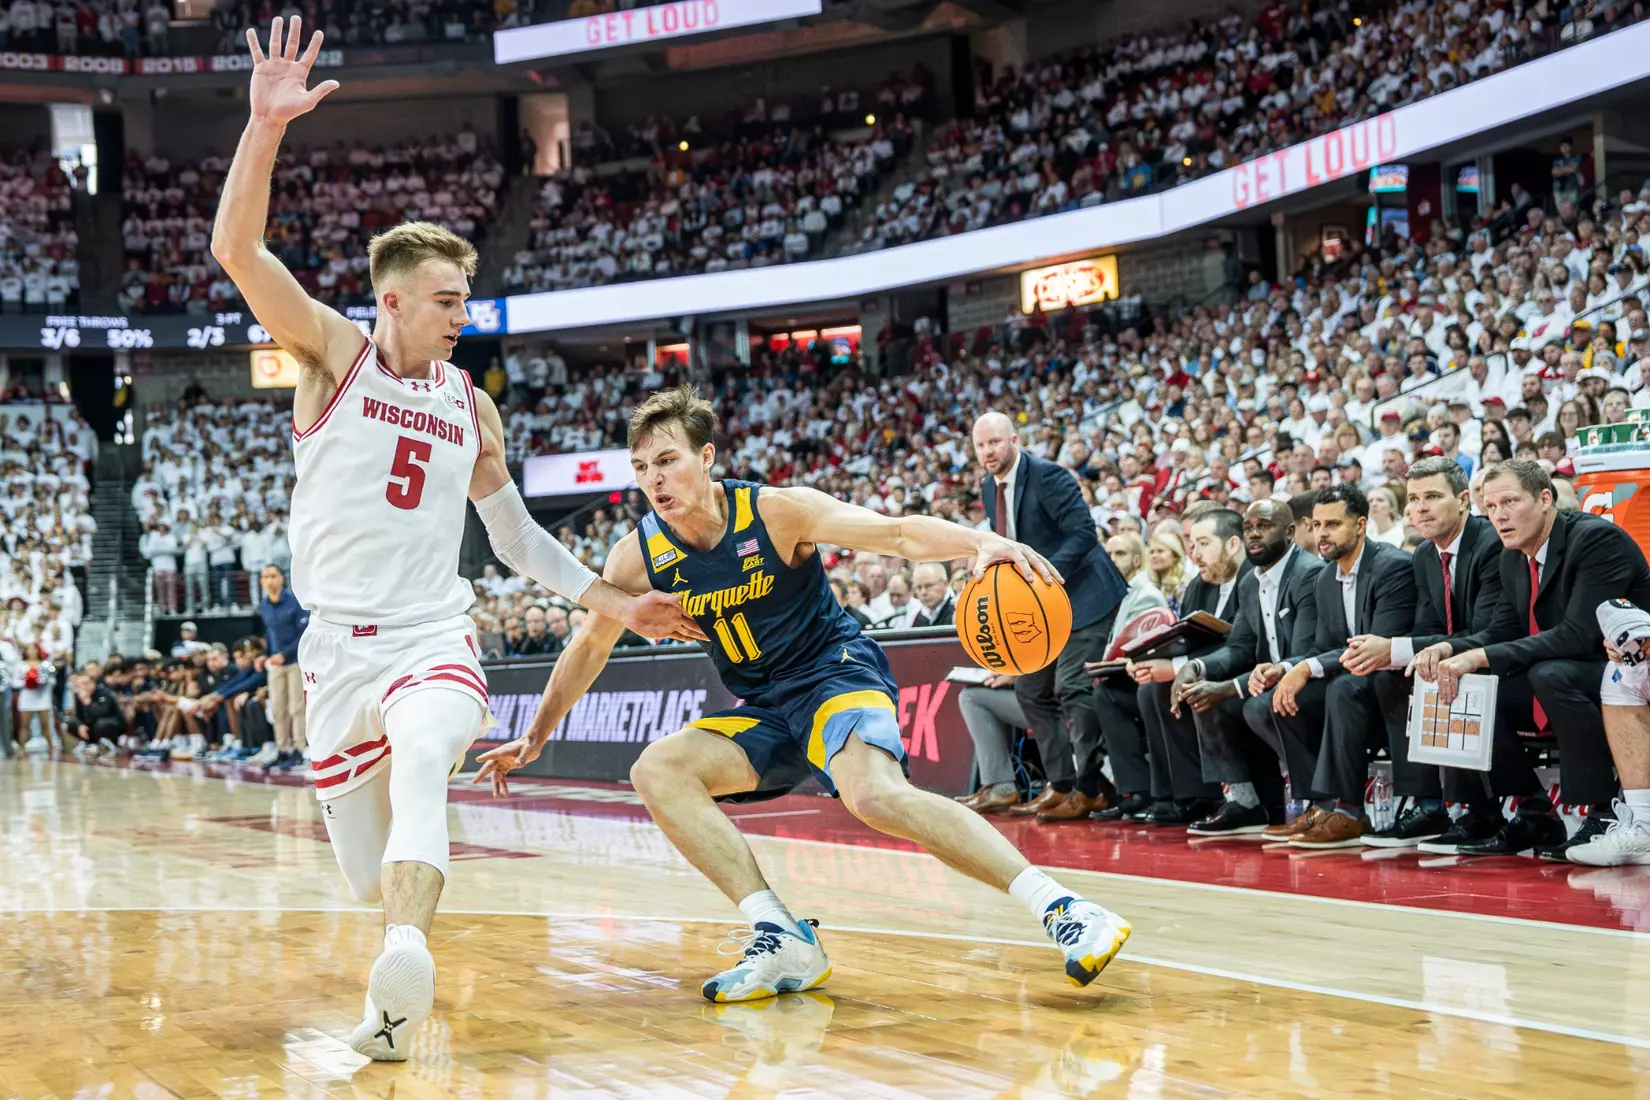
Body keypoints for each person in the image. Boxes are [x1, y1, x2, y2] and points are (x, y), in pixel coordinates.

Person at [210, 17, 700, 1063]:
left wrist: (612, 601)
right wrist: (265, 127)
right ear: (390, 300)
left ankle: (403, 964)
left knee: (430, 759)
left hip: (433, 633)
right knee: (363, 867)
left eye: (465, 300)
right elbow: (237, 253)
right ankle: (391, 919)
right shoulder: (333, 354)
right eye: (445, 301)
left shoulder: (471, 406)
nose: (461, 316)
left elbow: (513, 534)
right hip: (336, 649)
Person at [477, 388, 1131, 1001]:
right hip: (767, 707)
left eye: (668, 460)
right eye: (642, 467)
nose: (654, 479)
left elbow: (896, 534)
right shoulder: (638, 555)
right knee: (657, 771)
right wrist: (536, 735)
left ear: (707, 458)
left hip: (833, 674)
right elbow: (590, 645)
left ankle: (1064, 908)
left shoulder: (776, 512)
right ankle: (783, 934)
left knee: (874, 796)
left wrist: (980, 540)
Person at [1412, 459, 1650, 860]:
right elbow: (1500, 631)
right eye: (1491, 506)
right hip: (1562, 670)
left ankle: (1602, 812)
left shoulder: (1596, 540)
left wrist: (1480, 655)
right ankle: (1532, 810)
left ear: (1544, 499)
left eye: (1510, 502)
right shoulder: (1511, 556)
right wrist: (1453, 650)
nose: (1499, 515)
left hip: (1623, 671)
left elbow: (1579, 635)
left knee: (1550, 674)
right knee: (1474, 687)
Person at [1335, 457, 1507, 849]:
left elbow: (1488, 631)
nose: (1421, 508)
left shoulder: (1491, 544)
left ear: (1463, 500)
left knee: (1448, 675)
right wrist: (1393, 653)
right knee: (1393, 678)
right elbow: (1428, 627)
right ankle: (1427, 806)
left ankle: (1483, 810)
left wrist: (1394, 648)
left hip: (1497, 658)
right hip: (1456, 657)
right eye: (1413, 499)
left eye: (1432, 496)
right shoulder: (1425, 555)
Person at [972, 411, 1129, 822]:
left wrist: (1044, 576)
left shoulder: (1049, 476)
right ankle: (1060, 784)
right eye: (981, 446)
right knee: (1030, 689)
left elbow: (1084, 533)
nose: (988, 452)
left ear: (1014, 440)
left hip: (1086, 598)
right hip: (1045, 609)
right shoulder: (989, 487)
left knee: (1072, 686)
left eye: (995, 442)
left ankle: (1092, 789)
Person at [1261, 483, 1416, 847]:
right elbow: (1324, 647)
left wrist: (1306, 668)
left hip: (1393, 680)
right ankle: (1321, 805)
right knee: (1280, 699)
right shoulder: (1325, 578)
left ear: (1360, 525)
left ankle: (1348, 811)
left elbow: (1376, 645)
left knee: (1343, 688)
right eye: (1316, 525)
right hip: (1353, 679)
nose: (1322, 534)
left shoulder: (1393, 566)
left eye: (1332, 524)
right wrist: (1286, 669)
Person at [1100, 510, 1247, 825]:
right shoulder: (1199, 585)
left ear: (1232, 543)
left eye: (1202, 543)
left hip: (1237, 672)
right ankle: (1176, 795)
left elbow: (1242, 646)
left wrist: (1177, 666)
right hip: (1200, 666)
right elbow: (1187, 637)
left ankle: (1208, 794)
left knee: (1172, 687)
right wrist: (1149, 660)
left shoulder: (1249, 580)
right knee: (1148, 688)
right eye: (1191, 543)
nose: (1194, 552)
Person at [256, 564, 309, 771]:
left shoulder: (295, 601)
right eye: (265, 577)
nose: (269, 580)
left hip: (295, 661)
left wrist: (284, 654)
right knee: (278, 708)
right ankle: (283, 749)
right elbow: (270, 634)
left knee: (297, 707)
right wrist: (265, 654)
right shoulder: (263, 605)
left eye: (273, 576)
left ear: (281, 578)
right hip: (276, 664)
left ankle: (299, 750)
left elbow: (304, 634)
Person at [904, 562, 955, 628]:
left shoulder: (957, 611)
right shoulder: (916, 617)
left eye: (928, 586)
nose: (923, 592)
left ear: (945, 583)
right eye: (919, 587)